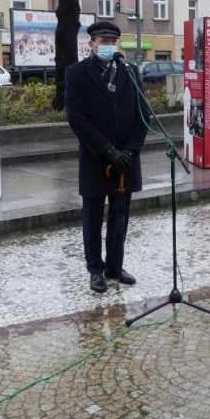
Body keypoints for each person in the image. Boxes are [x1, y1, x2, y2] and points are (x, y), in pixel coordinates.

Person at [65, 22, 148, 293]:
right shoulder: (76, 73)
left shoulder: (130, 71)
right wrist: (108, 150)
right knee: (92, 216)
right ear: (91, 44)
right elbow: (77, 118)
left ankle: (115, 266)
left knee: (121, 214)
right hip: (96, 159)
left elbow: (143, 114)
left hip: (125, 160)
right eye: (103, 40)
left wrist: (131, 150)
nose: (108, 45)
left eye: (113, 41)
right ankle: (95, 270)